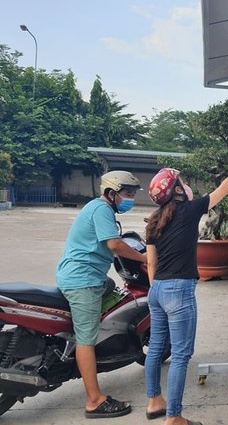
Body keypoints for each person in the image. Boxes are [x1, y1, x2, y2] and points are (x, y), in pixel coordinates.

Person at [144, 153, 228, 425]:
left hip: (156, 290)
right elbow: (224, 190)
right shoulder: (189, 210)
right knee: (181, 355)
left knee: (156, 348)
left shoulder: (154, 221)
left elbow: (151, 263)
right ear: (177, 191)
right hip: (179, 291)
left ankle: (154, 401)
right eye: (183, 182)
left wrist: (158, 291)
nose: (187, 185)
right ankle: (174, 417)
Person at [56, 170, 147, 419]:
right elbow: (114, 244)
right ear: (111, 193)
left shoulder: (98, 208)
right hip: (82, 281)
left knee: (110, 287)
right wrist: (144, 258)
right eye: (127, 193)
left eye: (132, 194)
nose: (130, 199)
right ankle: (94, 401)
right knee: (86, 339)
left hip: (89, 277)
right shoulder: (101, 210)